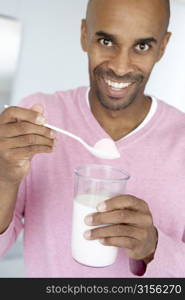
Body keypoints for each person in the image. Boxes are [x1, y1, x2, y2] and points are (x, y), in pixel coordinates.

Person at [0, 0, 184, 278]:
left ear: (163, 46)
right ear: (85, 35)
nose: (121, 68)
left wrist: (153, 246)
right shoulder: (39, 117)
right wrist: (4, 177)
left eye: (142, 46)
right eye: (107, 41)